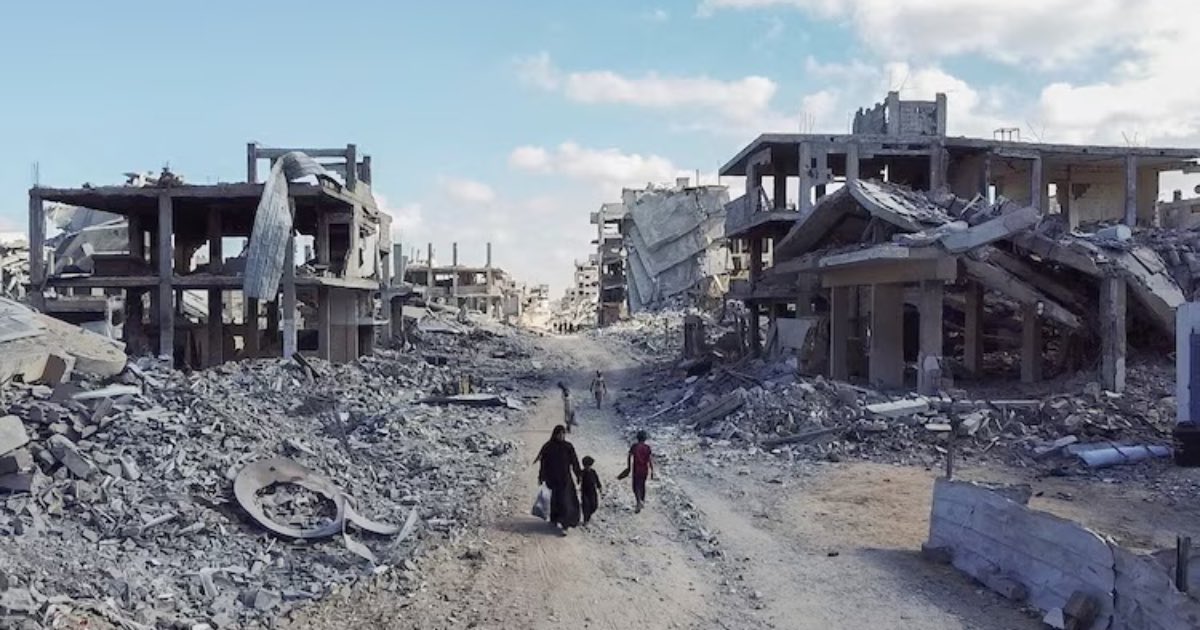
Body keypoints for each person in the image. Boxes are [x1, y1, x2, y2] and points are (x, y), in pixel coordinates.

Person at [535, 425, 582, 535]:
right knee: (555, 500)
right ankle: (555, 519)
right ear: (555, 434)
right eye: (559, 434)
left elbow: (574, 461)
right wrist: (541, 476)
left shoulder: (568, 447)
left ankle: (565, 524)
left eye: (563, 434)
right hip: (553, 478)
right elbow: (543, 463)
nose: (561, 436)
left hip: (565, 479)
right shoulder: (548, 447)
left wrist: (578, 473)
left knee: (565, 501)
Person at [627, 430, 654, 513]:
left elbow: (629, 456)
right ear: (645, 438)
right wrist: (652, 469)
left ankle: (638, 501)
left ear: (637, 438)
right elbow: (649, 459)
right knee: (642, 485)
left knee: (635, 486)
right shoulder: (647, 448)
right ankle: (642, 500)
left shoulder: (634, 446)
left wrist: (628, 467)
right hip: (645, 469)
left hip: (636, 469)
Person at [580, 456, 602, 526]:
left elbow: (597, 480)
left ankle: (588, 515)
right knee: (586, 506)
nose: (588, 467)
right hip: (585, 492)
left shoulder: (593, 472)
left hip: (593, 491)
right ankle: (586, 519)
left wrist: (599, 486)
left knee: (594, 505)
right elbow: (578, 479)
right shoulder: (582, 472)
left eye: (589, 465)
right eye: (586, 465)